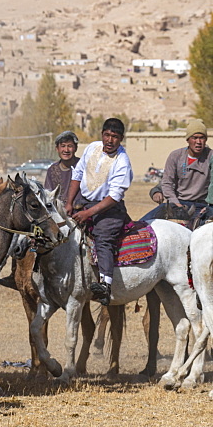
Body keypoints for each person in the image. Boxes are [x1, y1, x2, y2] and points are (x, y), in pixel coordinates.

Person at [65, 118, 133, 305]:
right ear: (102, 134)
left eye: (115, 137)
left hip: (109, 209)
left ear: (121, 139)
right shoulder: (92, 147)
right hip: (83, 202)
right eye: (107, 135)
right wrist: (69, 203)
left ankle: (105, 284)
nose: (110, 140)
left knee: (103, 238)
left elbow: (114, 196)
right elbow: (77, 175)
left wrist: (88, 214)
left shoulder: (122, 161)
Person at [140, 120, 210, 222]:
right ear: (188, 139)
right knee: (144, 223)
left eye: (202, 138)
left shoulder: (210, 157)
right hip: (177, 203)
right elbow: (167, 183)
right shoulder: (176, 156)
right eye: (195, 138)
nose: (198, 142)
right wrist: (177, 205)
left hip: (201, 206)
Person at [44, 131, 80, 200]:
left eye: (70, 146)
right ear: (57, 149)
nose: (66, 150)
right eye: (63, 146)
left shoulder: (82, 166)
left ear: (75, 148)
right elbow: (48, 195)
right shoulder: (52, 170)